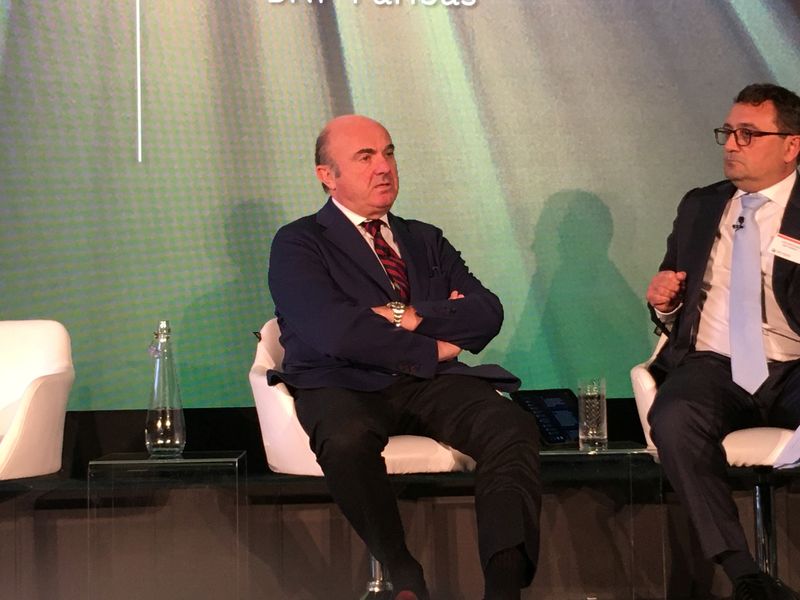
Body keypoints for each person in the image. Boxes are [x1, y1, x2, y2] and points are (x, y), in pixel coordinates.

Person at [267, 115, 541, 600]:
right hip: (340, 382)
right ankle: (403, 573)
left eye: (389, 153)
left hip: (427, 381)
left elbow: (485, 313)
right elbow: (334, 330)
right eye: (365, 157)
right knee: (346, 439)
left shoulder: (423, 238)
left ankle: (503, 588)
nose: (384, 168)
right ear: (326, 175)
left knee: (510, 427)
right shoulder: (300, 242)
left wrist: (405, 314)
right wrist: (432, 339)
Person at [646, 83, 800, 600]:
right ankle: (744, 574)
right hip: (715, 365)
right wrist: (664, 301)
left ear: (791, 145)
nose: (731, 144)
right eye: (728, 133)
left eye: (748, 134)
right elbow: (671, 299)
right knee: (672, 416)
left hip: (793, 363)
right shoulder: (700, 205)